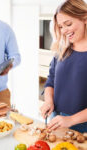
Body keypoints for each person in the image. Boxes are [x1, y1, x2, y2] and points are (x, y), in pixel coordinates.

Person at [40, 0, 87, 133]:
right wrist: (48, 101)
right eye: (60, 26)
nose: (64, 31)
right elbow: (51, 80)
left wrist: (71, 120)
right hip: (57, 120)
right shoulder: (62, 50)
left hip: (83, 127)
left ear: (84, 18)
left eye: (68, 24)